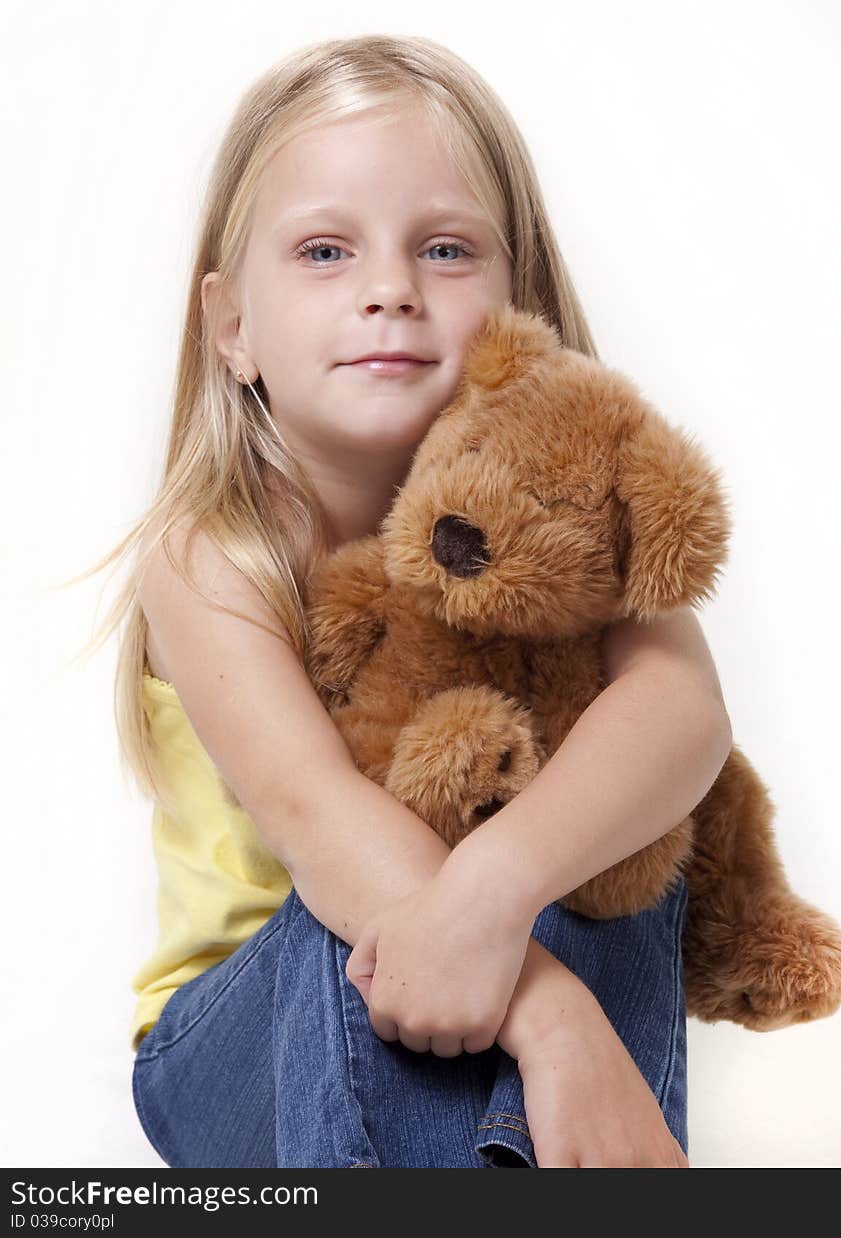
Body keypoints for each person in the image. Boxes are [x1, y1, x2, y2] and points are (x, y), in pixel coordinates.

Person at [85, 34, 733, 1168]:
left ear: (517, 306)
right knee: (362, 920)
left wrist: (502, 877)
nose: (389, 289)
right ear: (233, 325)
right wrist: (550, 1013)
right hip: (234, 1044)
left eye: (442, 249)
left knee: (611, 828)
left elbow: (683, 721)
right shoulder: (214, 550)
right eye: (326, 251)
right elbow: (320, 825)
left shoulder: (561, 511)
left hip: (467, 974)